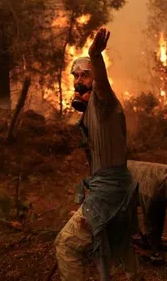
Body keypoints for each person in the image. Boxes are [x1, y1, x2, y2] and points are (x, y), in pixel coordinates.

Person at [54, 29, 141, 281]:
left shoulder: (104, 102)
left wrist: (95, 55)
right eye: (76, 76)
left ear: (96, 78)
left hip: (110, 191)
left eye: (86, 75)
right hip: (112, 187)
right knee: (120, 243)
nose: (79, 81)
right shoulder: (89, 110)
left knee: (66, 245)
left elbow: (102, 85)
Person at [127, 160, 167, 259]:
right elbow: (149, 219)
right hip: (126, 179)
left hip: (145, 176)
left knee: (160, 210)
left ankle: (155, 242)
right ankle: (149, 247)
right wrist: (153, 245)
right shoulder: (150, 192)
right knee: (145, 215)